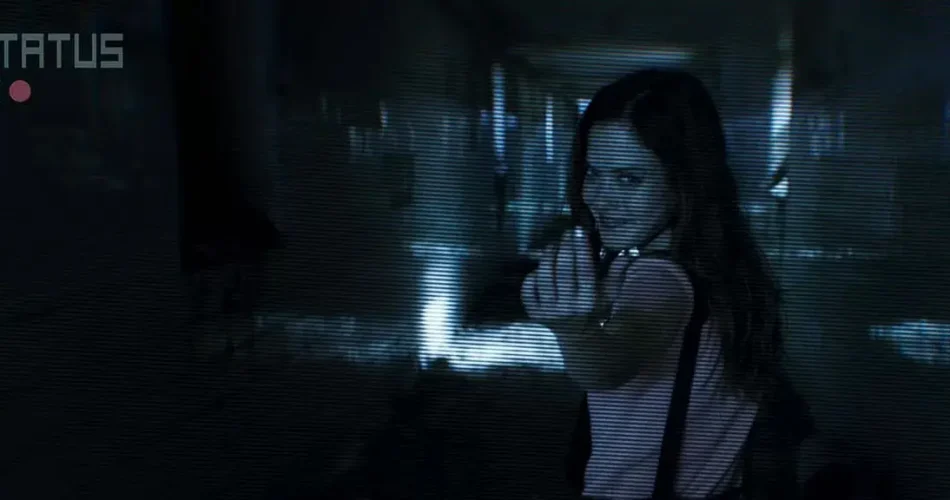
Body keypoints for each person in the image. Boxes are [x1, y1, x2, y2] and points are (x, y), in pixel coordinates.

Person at [521, 69, 804, 499]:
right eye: (593, 172)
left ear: (685, 182)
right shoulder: (719, 267)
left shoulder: (660, 278)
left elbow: (606, 366)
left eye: (628, 178)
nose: (598, 198)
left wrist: (574, 330)